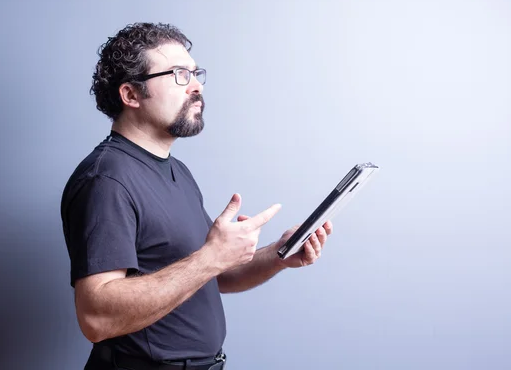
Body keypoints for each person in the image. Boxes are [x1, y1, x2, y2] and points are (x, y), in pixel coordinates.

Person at [60, 22, 333, 370]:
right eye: (178, 74)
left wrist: (279, 254)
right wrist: (212, 257)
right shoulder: (107, 180)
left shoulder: (177, 171)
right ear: (131, 95)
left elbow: (215, 274)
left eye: (195, 73)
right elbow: (96, 319)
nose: (197, 85)